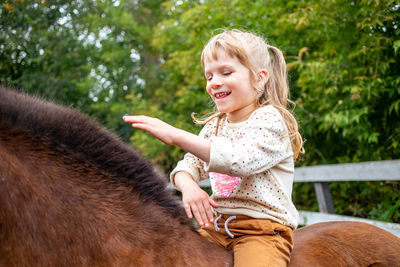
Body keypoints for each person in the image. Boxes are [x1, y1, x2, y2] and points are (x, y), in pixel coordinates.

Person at [123, 29, 303, 267]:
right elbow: (186, 166)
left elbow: (239, 161)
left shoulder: (269, 120)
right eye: (209, 76)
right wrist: (189, 187)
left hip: (262, 232)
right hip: (217, 229)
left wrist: (177, 135)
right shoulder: (215, 126)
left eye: (226, 72)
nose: (214, 82)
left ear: (260, 78)